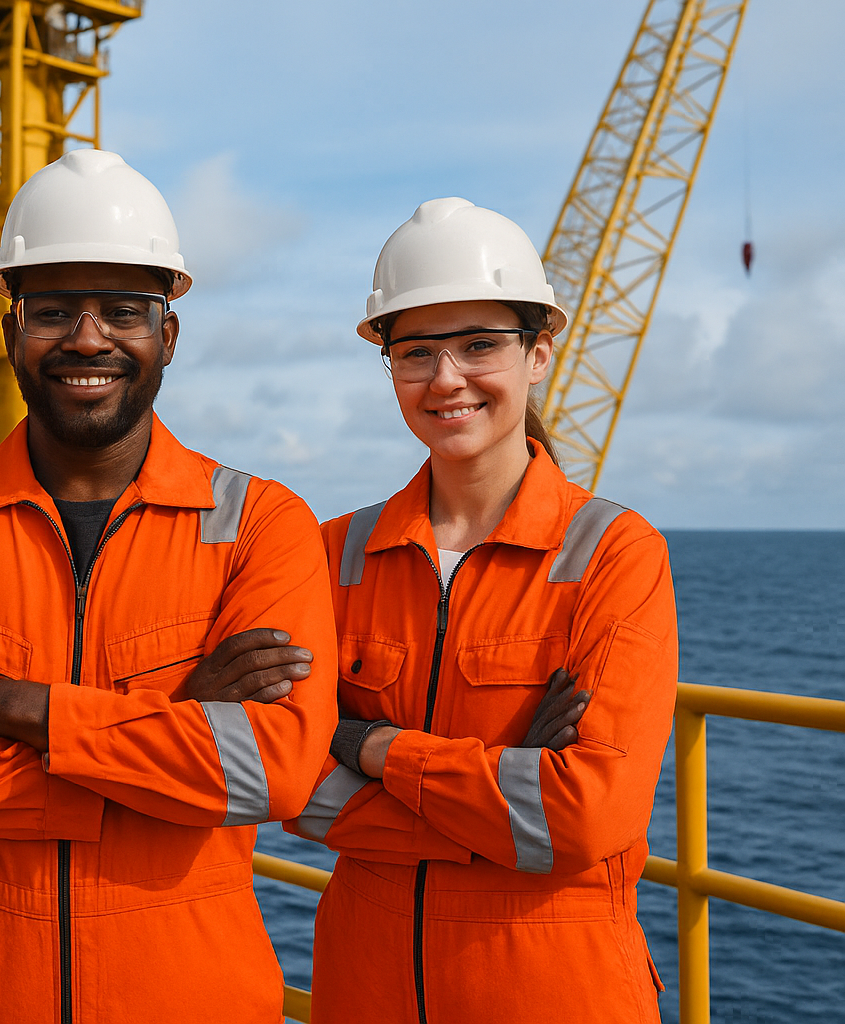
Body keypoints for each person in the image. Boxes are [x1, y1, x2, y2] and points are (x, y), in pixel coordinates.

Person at [0, 149, 338, 1023]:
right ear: (11, 332)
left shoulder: (260, 523)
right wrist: (176, 722)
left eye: (123, 311)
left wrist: (13, 705)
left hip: (189, 999)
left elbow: (270, 775)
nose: (88, 338)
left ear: (167, 336)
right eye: (55, 310)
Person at [290, 197, 677, 1024]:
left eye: (478, 346)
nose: (446, 379)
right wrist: (501, 793)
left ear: (539, 354)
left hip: (554, 993)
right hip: (366, 990)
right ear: (388, 365)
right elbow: (287, 782)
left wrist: (370, 744)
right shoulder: (333, 553)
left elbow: (583, 817)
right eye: (416, 352)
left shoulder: (614, 551)